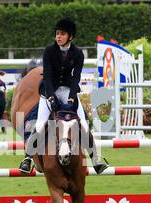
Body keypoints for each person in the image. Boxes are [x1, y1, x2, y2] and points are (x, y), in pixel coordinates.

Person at [18, 18, 109, 174]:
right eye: (57, 33)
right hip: (49, 90)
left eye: (62, 34)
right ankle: (27, 159)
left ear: (70, 37)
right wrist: (51, 97)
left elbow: (76, 78)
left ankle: (96, 160)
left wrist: (72, 97)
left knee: (84, 125)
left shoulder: (78, 53)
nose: (58, 36)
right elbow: (46, 76)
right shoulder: (49, 51)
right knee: (40, 125)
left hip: (68, 90)